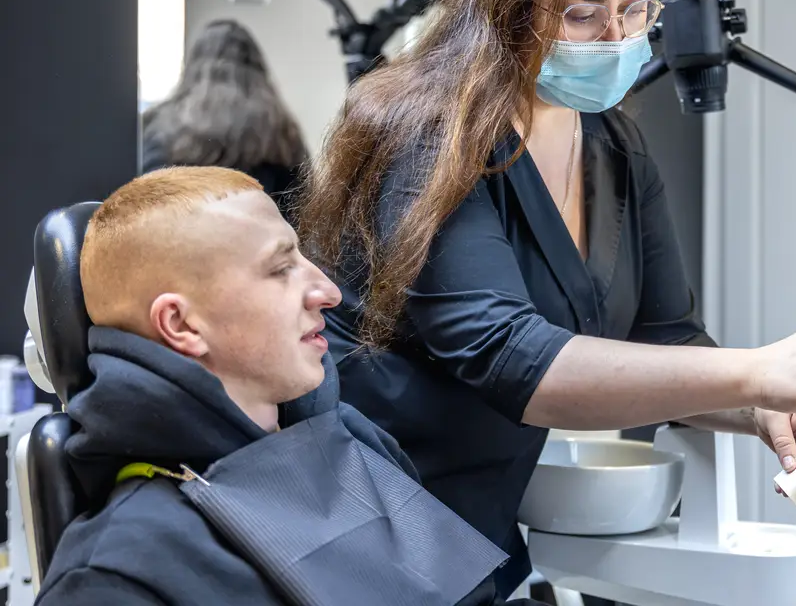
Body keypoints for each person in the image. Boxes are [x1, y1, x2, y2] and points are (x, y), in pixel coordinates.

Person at [298, 0, 796, 597]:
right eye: (581, 13)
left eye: (634, 5)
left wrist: (759, 406)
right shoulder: (430, 138)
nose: (618, 37)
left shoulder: (613, 147)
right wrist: (758, 369)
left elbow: (667, 337)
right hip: (360, 529)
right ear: (510, 8)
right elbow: (509, 356)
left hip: (477, 531)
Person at [36, 167, 546, 606]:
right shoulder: (116, 571)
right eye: (281, 269)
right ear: (181, 325)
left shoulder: (351, 443)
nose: (325, 291)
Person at [141, 19, 308, 214]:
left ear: (192, 63)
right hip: (259, 239)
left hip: (179, 239)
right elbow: (300, 206)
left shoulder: (158, 124)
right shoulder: (282, 132)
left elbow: (142, 201)